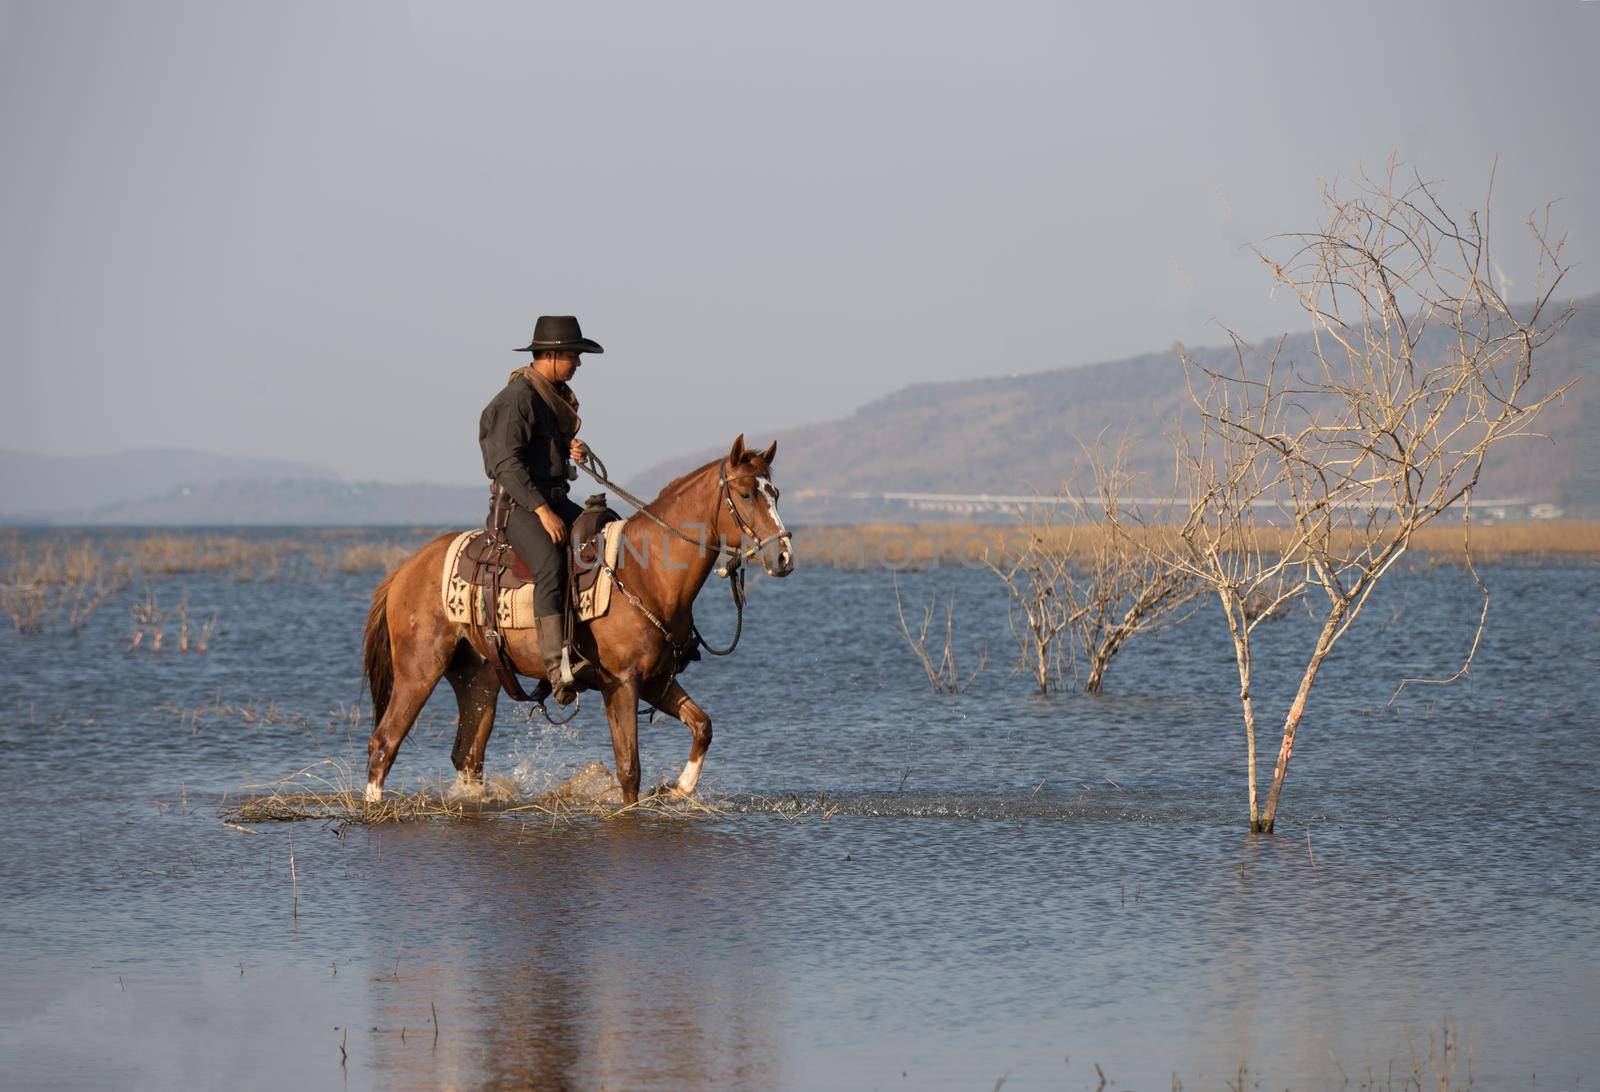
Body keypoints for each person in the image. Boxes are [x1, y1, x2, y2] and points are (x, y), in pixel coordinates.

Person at [478, 315, 602, 704]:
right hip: (518, 507)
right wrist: (542, 511)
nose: (579, 363)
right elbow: (506, 465)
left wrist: (567, 451)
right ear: (550, 354)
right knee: (550, 562)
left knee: (606, 533)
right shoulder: (517, 399)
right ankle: (556, 667)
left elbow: (537, 454)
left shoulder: (548, 396)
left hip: (550, 499)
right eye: (574, 355)